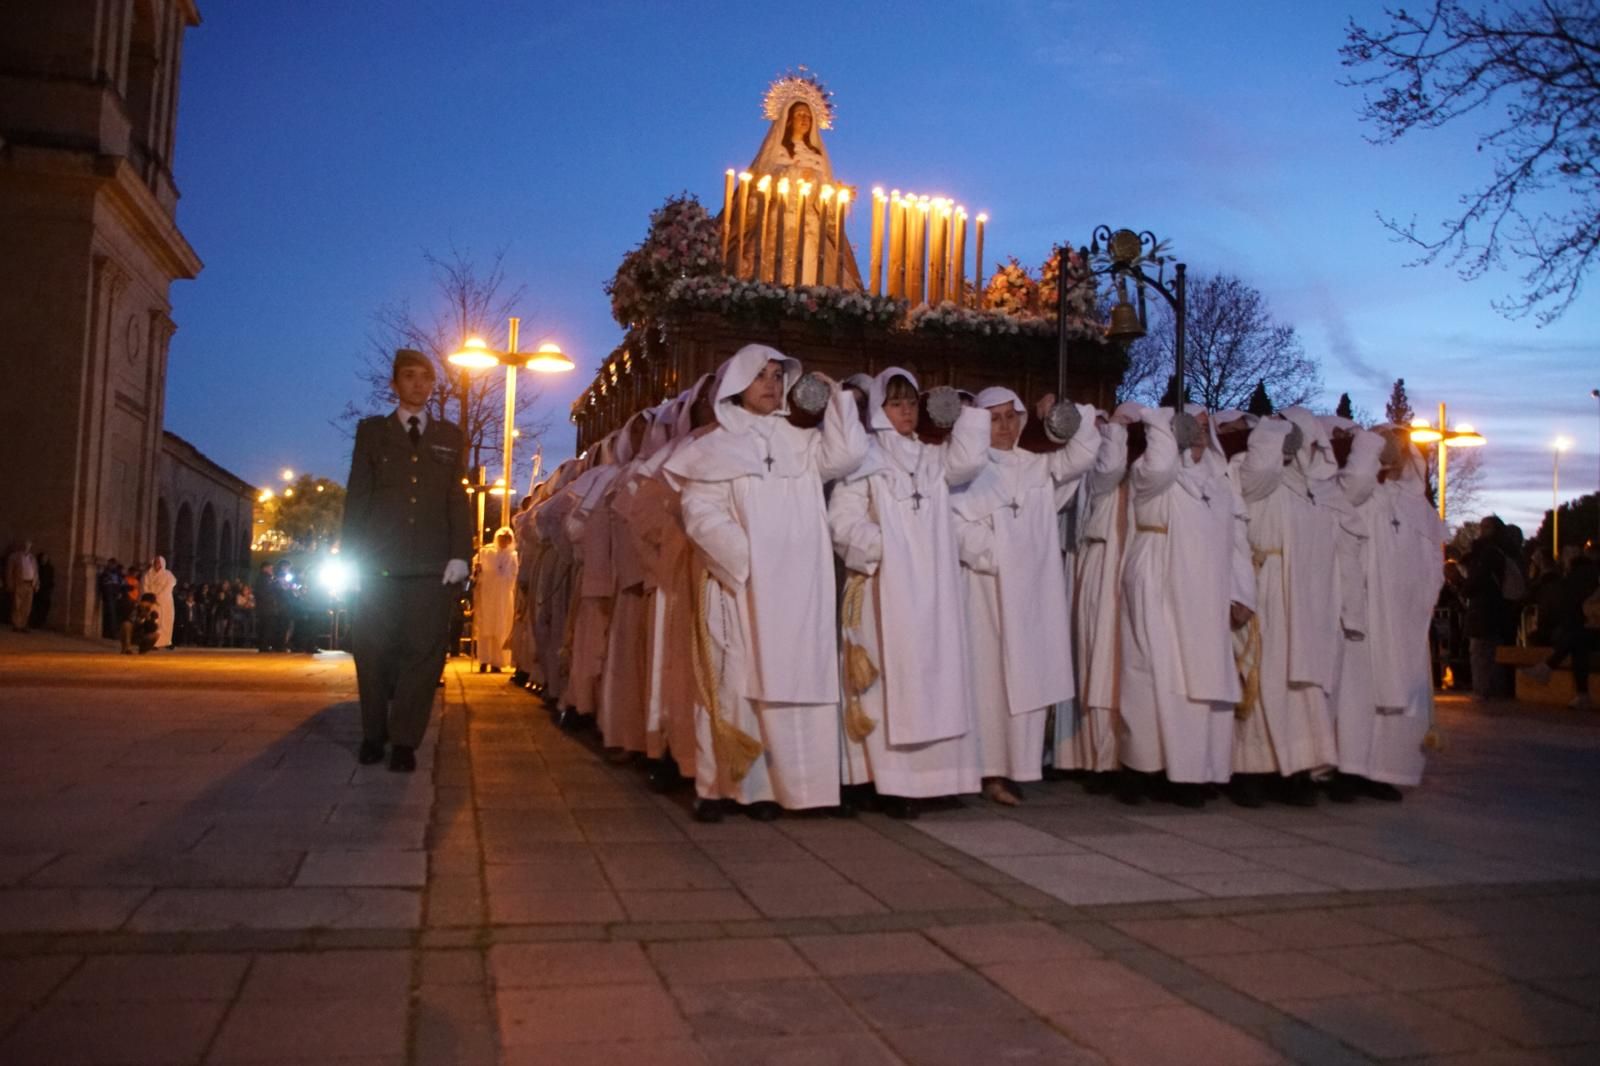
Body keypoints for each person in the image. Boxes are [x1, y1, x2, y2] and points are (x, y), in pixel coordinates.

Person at [665, 343, 867, 819]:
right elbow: (700, 512)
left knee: (802, 680)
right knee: (738, 683)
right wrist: (747, 559)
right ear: (738, 385)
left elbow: (847, 454)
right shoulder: (713, 446)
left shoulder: (800, 438)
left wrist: (837, 401)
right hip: (746, 585)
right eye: (762, 376)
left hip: (804, 584)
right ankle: (735, 789)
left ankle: (802, 790)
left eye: (779, 376)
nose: (773, 385)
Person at [828, 368, 990, 817]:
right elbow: (842, 521)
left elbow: (970, 461)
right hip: (886, 590)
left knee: (938, 677)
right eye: (896, 404)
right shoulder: (866, 461)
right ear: (879, 409)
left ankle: (940, 778)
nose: (906, 412)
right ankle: (892, 782)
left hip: (935, 590)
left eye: (912, 403)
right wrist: (887, 548)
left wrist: (967, 415)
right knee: (891, 680)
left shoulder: (933, 459)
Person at [951, 387, 1099, 806]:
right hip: (984, 588)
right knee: (987, 678)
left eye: (1010, 417)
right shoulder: (967, 468)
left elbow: (1084, 453)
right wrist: (998, 554)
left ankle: (1018, 768)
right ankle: (985, 768)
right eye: (993, 419)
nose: (1004, 426)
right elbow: (953, 524)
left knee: (1026, 678)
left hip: (1031, 592)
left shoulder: (1037, 466)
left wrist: (1066, 412)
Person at [1116, 406, 1256, 807]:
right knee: (1150, 673)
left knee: (1201, 682)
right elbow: (1159, 466)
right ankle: (1145, 768)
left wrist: (1242, 591)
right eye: (1188, 424)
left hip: (1206, 589)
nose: (1198, 431)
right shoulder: (1153, 470)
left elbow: (1237, 537)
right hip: (1157, 573)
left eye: (1203, 424)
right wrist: (1162, 423)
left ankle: (1194, 772)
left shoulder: (1219, 479)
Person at [341, 348, 473, 772]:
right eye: (410, 377)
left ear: (434, 386)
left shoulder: (450, 437)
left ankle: (404, 741)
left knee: (424, 652)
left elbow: (457, 497)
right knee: (373, 647)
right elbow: (357, 495)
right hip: (379, 560)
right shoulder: (372, 432)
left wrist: (460, 553)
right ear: (394, 384)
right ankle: (373, 733)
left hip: (431, 564)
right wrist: (352, 556)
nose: (419, 385)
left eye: (426, 378)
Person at [1230, 409, 1342, 806]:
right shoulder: (1249, 471)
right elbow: (1259, 471)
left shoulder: (1312, 491)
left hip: (1304, 597)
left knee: (1300, 689)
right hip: (1265, 586)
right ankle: (1250, 771)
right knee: (1261, 680)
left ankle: (1296, 767)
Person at [1333, 426, 1446, 797]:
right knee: (1359, 690)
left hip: (1406, 616)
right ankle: (1349, 768)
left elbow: (1434, 561)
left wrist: (1423, 601)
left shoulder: (1422, 511)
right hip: (1368, 608)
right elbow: (1351, 494)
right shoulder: (1368, 497)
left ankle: (1386, 770)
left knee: (1401, 696)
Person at [472, 527, 519, 673]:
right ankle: (484, 660)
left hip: (503, 598)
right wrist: (477, 570)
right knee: (486, 629)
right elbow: (475, 569)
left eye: (507, 539)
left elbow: (514, 575)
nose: (504, 542)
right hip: (487, 596)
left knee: (501, 628)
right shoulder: (486, 552)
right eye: (501, 538)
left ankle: (497, 662)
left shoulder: (513, 555)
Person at [142, 556, 177, 649]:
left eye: (159, 562)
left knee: (166, 622)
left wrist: (159, 597)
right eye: (156, 562)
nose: (157, 564)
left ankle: (166, 641)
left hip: (165, 602)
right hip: (153, 602)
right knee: (154, 621)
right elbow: (145, 586)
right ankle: (154, 642)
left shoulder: (168, 575)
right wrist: (151, 598)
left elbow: (168, 587)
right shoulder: (148, 574)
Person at [27, 551, 53, 629]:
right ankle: (33, 622)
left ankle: (40, 623)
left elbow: (50, 579)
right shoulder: (38, 567)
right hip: (37, 591)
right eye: (43, 558)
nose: (44, 559)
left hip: (45, 592)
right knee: (35, 607)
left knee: (44, 608)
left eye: (46, 558)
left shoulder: (49, 568)